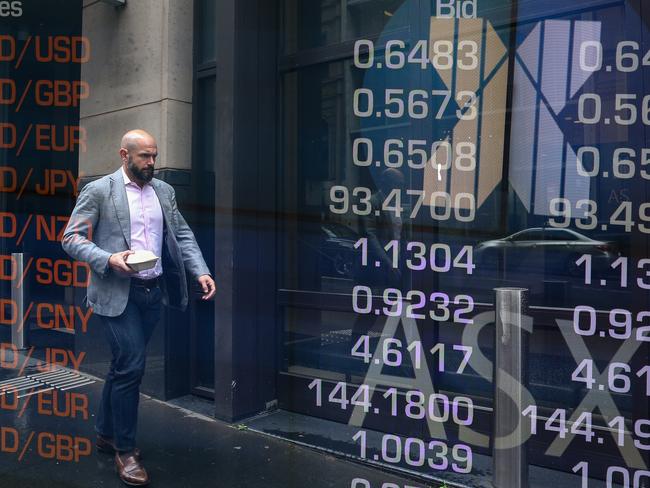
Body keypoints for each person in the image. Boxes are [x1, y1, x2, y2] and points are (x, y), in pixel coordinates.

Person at [62, 129, 216, 486]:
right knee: (132, 365)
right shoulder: (100, 190)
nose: (151, 164)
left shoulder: (164, 191)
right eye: (144, 157)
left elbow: (182, 234)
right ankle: (125, 450)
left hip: (152, 292)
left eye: (154, 156)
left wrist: (201, 271)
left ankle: (104, 432)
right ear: (124, 154)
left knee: (121, 367)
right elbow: (71, 237)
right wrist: (108, 258)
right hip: (116, 293)